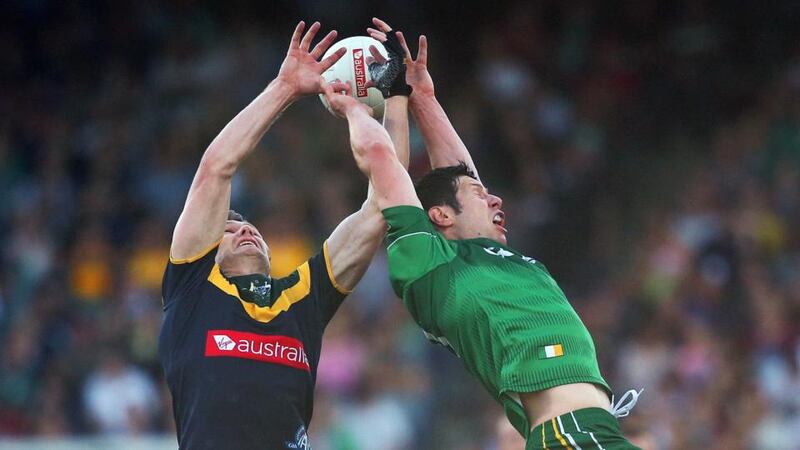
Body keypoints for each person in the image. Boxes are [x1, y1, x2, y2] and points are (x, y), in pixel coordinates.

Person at [331, 18, 643, 449]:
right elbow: (388, 169)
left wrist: (424, 95)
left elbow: (459, 174)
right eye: (481, 195)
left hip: (589, 430)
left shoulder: (494, 257)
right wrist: (393, 97)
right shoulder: (432, 270)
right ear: (439, 216)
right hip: (569, 433)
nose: (496, 200)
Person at [158, 21, 409, 449]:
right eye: (230, 230)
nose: (246, 231)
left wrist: (397, 98)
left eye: (250, 226)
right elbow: (217, 168)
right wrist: (285, 87)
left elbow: (383, 206)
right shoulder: (193, 292)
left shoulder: (300, 299)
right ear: (205, 249)